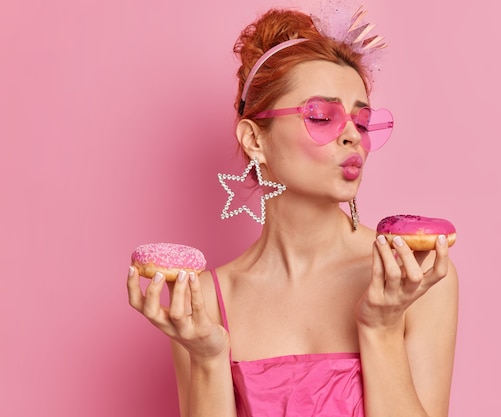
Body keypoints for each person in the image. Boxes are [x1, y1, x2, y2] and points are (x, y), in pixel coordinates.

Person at [127, 5, 458, 417]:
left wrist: (381, 328)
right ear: (254, 139)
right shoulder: (204, 303)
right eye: (321, 116)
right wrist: (210, 359)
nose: (352, 135)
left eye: (362, 120)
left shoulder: (414, 276)